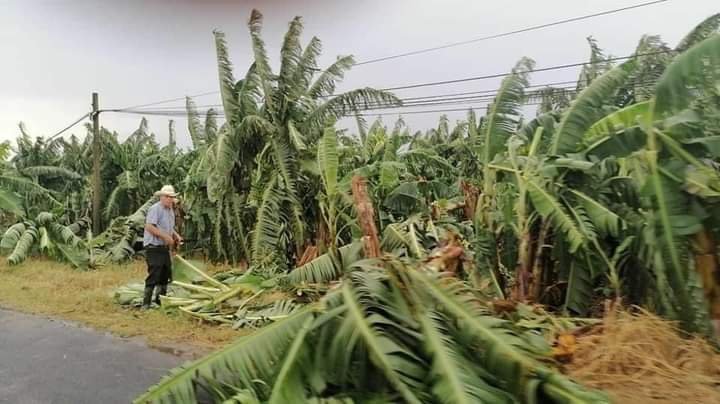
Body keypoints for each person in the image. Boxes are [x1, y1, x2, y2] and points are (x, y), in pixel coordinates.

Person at [142, 185, 183, 309]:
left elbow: (168, 228)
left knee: (165, 273)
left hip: (164, 248)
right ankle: (146, 303)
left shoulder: (170, 210)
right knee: (155, 272)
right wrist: (165, 237)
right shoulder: (155, 209)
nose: (170, 199)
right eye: (168, 197)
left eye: (172, 197)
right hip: (154, 246)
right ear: (161, 197)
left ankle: (160, 301)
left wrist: (176, 235)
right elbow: (150, 226)